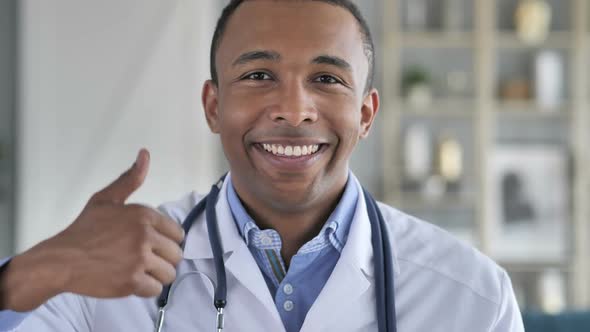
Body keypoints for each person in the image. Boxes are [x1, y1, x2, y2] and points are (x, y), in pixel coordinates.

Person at [0, 0, 525, 331]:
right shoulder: (98, 280)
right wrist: (46, 268)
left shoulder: (472, 297)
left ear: (365, 115)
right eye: (257, 75)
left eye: (327, 79)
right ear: (212, 106)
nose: (293, 110)